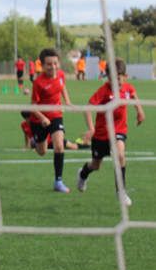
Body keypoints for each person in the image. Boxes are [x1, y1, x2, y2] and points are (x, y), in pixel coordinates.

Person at [77, 59, 146, 207]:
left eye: (119, 78)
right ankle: (83, 174)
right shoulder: (103, 91)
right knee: (96, 165)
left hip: (119, 131)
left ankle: (120, 192)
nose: (116, 82)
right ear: (107, 77)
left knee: (120, 155)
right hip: (101, 135)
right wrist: (91, 128)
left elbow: (133, 95)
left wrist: (139, 111)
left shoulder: (127, 88)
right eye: (112, 78)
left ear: (125, 76)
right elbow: (88, 108)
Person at [29, 48, 73, 193]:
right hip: (39, 119)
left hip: (56, 115)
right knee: (41, 152)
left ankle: (58, 181)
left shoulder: (61, 75)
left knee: (59, 146)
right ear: (42, 65)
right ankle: (35, 141)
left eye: (55, 63)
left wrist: (67, 101)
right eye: (49, 64)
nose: (53, 67)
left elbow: (63, 87)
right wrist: (42, 118)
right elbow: (33, 107)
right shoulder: (38, 83)